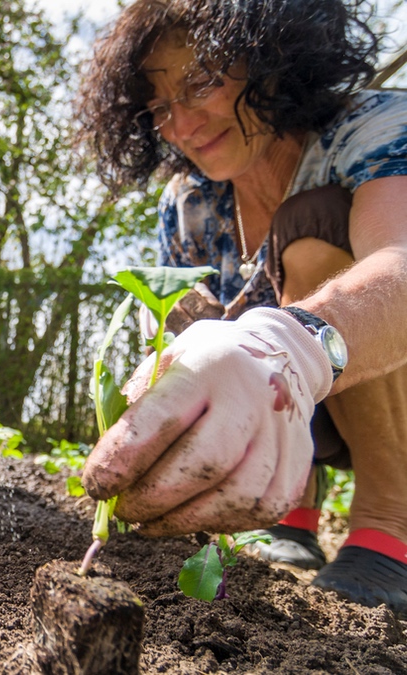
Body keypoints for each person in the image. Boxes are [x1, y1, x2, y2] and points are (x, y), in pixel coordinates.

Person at [75, 0, 407, 617]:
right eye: (159, 108)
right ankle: (291, 516)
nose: (182, 123)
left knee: (311, 232)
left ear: (272, 58)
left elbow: (402, 262)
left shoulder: (376, 127)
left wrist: (291, 345)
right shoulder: (190, 201)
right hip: (321, 419)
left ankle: (391, 525)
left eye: (200, 81)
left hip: (391, 380)